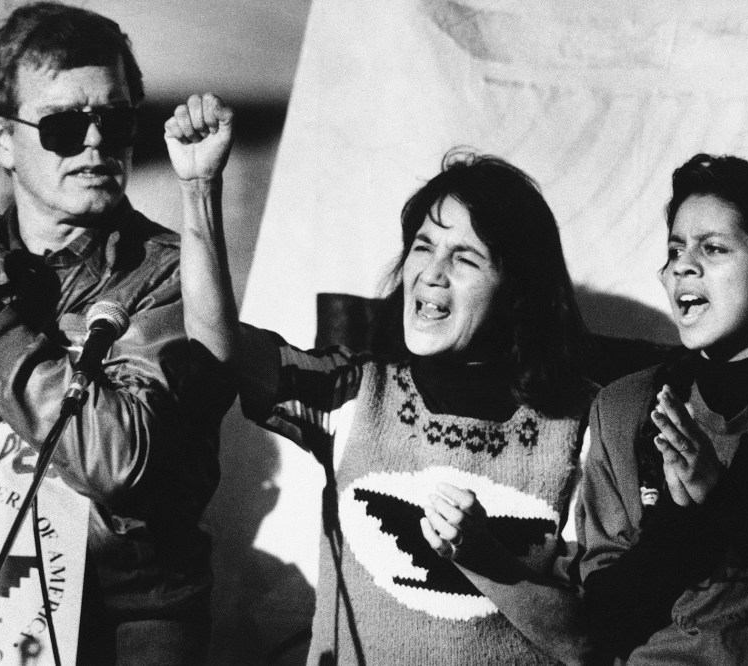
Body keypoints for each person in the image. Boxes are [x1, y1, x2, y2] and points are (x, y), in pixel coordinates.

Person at [0, 4, 232, 664]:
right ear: (1, 138)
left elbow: (119, 462)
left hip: (120, 621)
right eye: (62, 126)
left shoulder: (171, 274)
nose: (95, 144)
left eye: (114, 121)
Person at [167, 93, 595, 664]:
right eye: (423, 247)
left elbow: (589, 642)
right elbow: (216, 347)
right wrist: (200, 189)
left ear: (519, 293)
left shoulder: (585, 428)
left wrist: (486, 559)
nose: (431, 274)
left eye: (465, 258)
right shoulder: (354, 393)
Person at [578, 153, 748, 664]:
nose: (683, 264)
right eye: (675, 248)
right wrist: (680, 526)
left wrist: (725, 499)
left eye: (714, 247)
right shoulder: (622, 409)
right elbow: (600, 625)